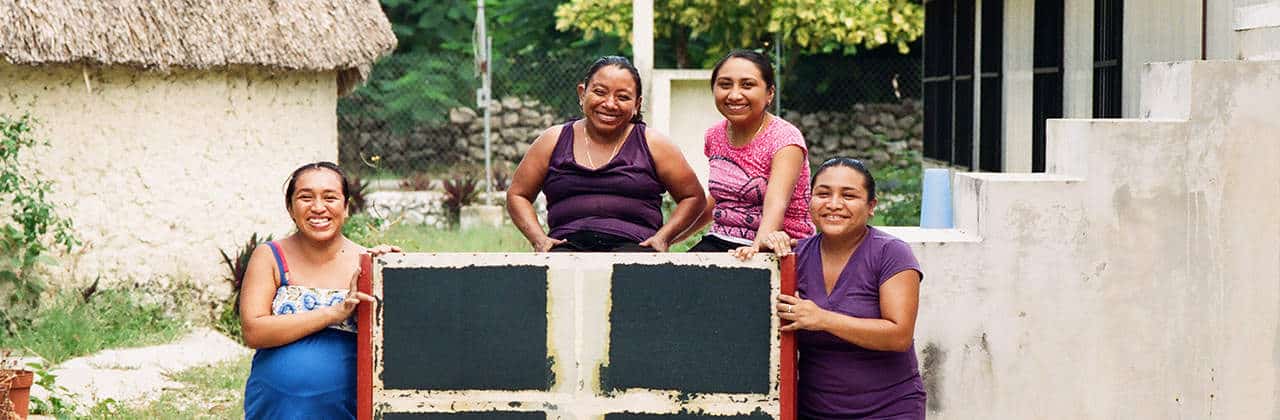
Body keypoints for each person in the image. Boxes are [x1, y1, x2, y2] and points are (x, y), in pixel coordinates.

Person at [754, 157, 926, 419]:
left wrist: (822, 319)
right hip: (814, 410)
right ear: (809, 202)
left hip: (889, 409)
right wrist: (763, 258)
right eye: (823, 194)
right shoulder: (795, 257)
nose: (834, 204)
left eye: (849, 195)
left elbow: (898, 336)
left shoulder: (891, 253)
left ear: (871, 206)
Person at [241, 162, 400, 419]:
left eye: (330, 197)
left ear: (346, 207)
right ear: (290, 208)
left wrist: (394, 271)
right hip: (275, 409)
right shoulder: (269, 256)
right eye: (305, 197)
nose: (317, 207)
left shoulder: (367, 264)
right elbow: (254, 331)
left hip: (344, 409)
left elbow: (401, 341)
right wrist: (332, 313)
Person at [507, 56, 705, 252]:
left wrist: (663, 238)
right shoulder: (553, 140)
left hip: (635, 252)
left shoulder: (654, 144)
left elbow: (693, 198)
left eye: (623, 97)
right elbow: (518, 194)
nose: (610, 104)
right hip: (567, 252)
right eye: (600, 92)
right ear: (582, 94)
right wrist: (539, 240)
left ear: (637, 104)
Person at [676, 49, 814, 254]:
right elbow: (719, 197)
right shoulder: (715, 135)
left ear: (770, 93)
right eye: (725, 85)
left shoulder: (785, 140)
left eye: (747, 85)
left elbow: (776, 204)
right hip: (721, 240)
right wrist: (669, 238)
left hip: (779, 246)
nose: (734, 94)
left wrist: (756, 249)